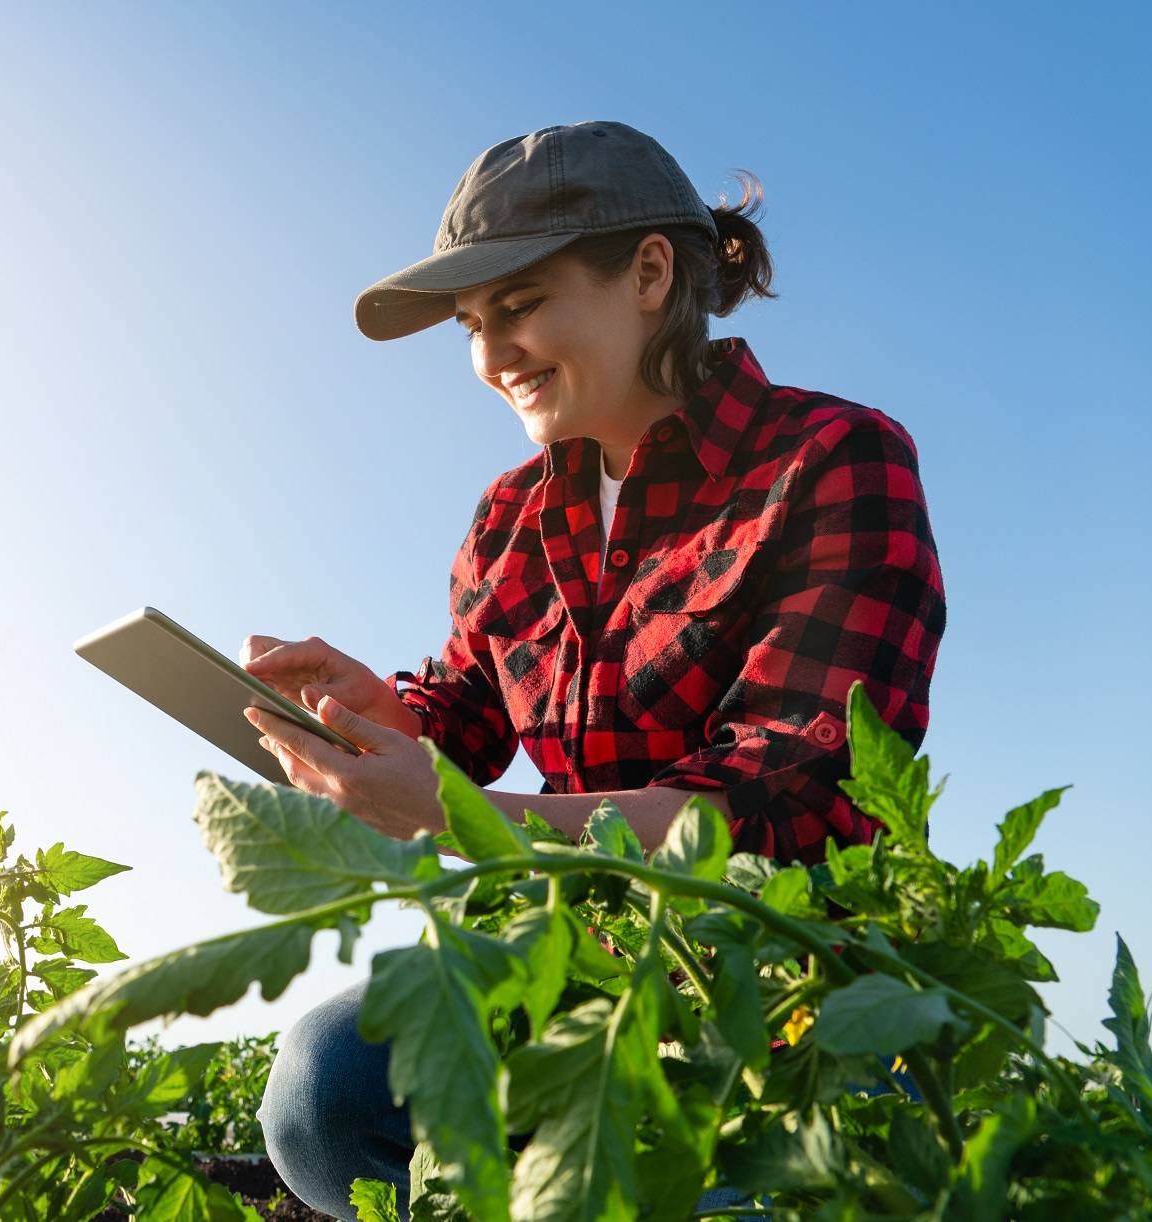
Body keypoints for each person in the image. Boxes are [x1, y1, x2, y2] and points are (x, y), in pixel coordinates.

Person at [237, 121, 947, 1219]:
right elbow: (469, 708)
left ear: (650, 272)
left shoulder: (831, 461)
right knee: (321, 1094)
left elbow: (781, 805)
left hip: (790, 987)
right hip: (578, 964)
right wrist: (380, 714)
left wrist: (459, 813)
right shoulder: (508, 520)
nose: (487, 354)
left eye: (517, 306)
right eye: (471, 326)